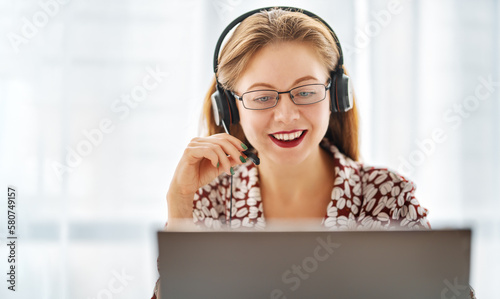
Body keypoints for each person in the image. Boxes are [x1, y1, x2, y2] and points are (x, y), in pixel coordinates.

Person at [151, 7, 431, 298]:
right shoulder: (209, 202)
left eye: (306, 91)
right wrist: (180, 206)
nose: (286, 116)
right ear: (230, 108)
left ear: (336, 95)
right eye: (262, 97)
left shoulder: (388, 197)